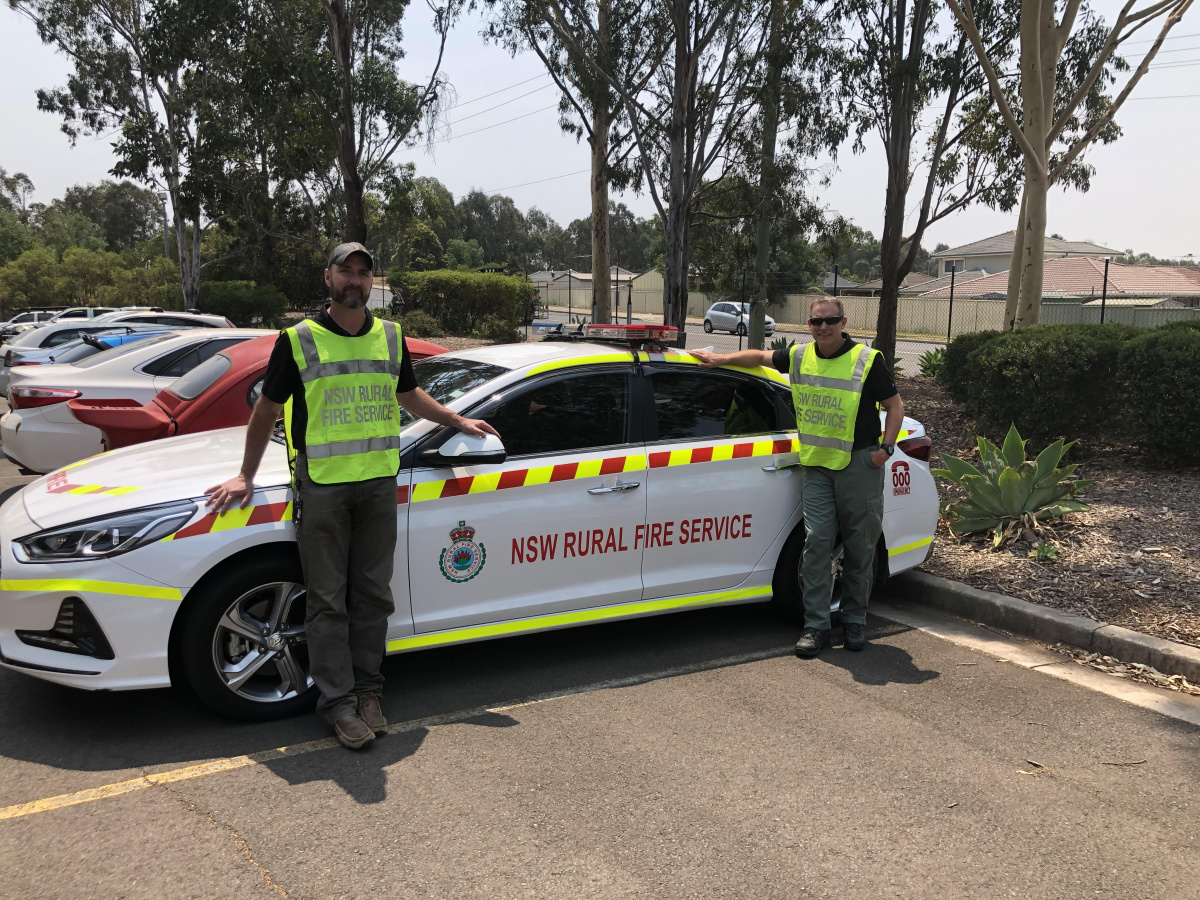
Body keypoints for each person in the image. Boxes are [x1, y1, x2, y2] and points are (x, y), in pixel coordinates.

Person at [205, 242, 498, 749]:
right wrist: (245, 476)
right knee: (326, 602)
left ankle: (368, 691)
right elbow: (266, 411)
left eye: (364, 273)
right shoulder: (298, 340)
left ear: (371, 282)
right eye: (347, 271)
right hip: (323, 489)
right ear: (328, 278)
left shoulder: (390, 336)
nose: (355, 281)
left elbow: (408, 395)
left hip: (379, 486)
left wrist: (455, 419)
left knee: (372, 598)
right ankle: (337, 703)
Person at [691, 298, 904, 658]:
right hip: (817, 466)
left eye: (830, 321)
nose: (823, 327)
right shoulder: (800, 355)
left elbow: (895, 406)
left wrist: (885, 449)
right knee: (818, 543)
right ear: (809, 324)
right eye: (816, 322)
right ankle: (816, 627)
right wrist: (720, 359)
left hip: (858, 465)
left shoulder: (868, 360)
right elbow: (760, 358)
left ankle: (854, 622)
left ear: (843, 321)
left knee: (859, 548)